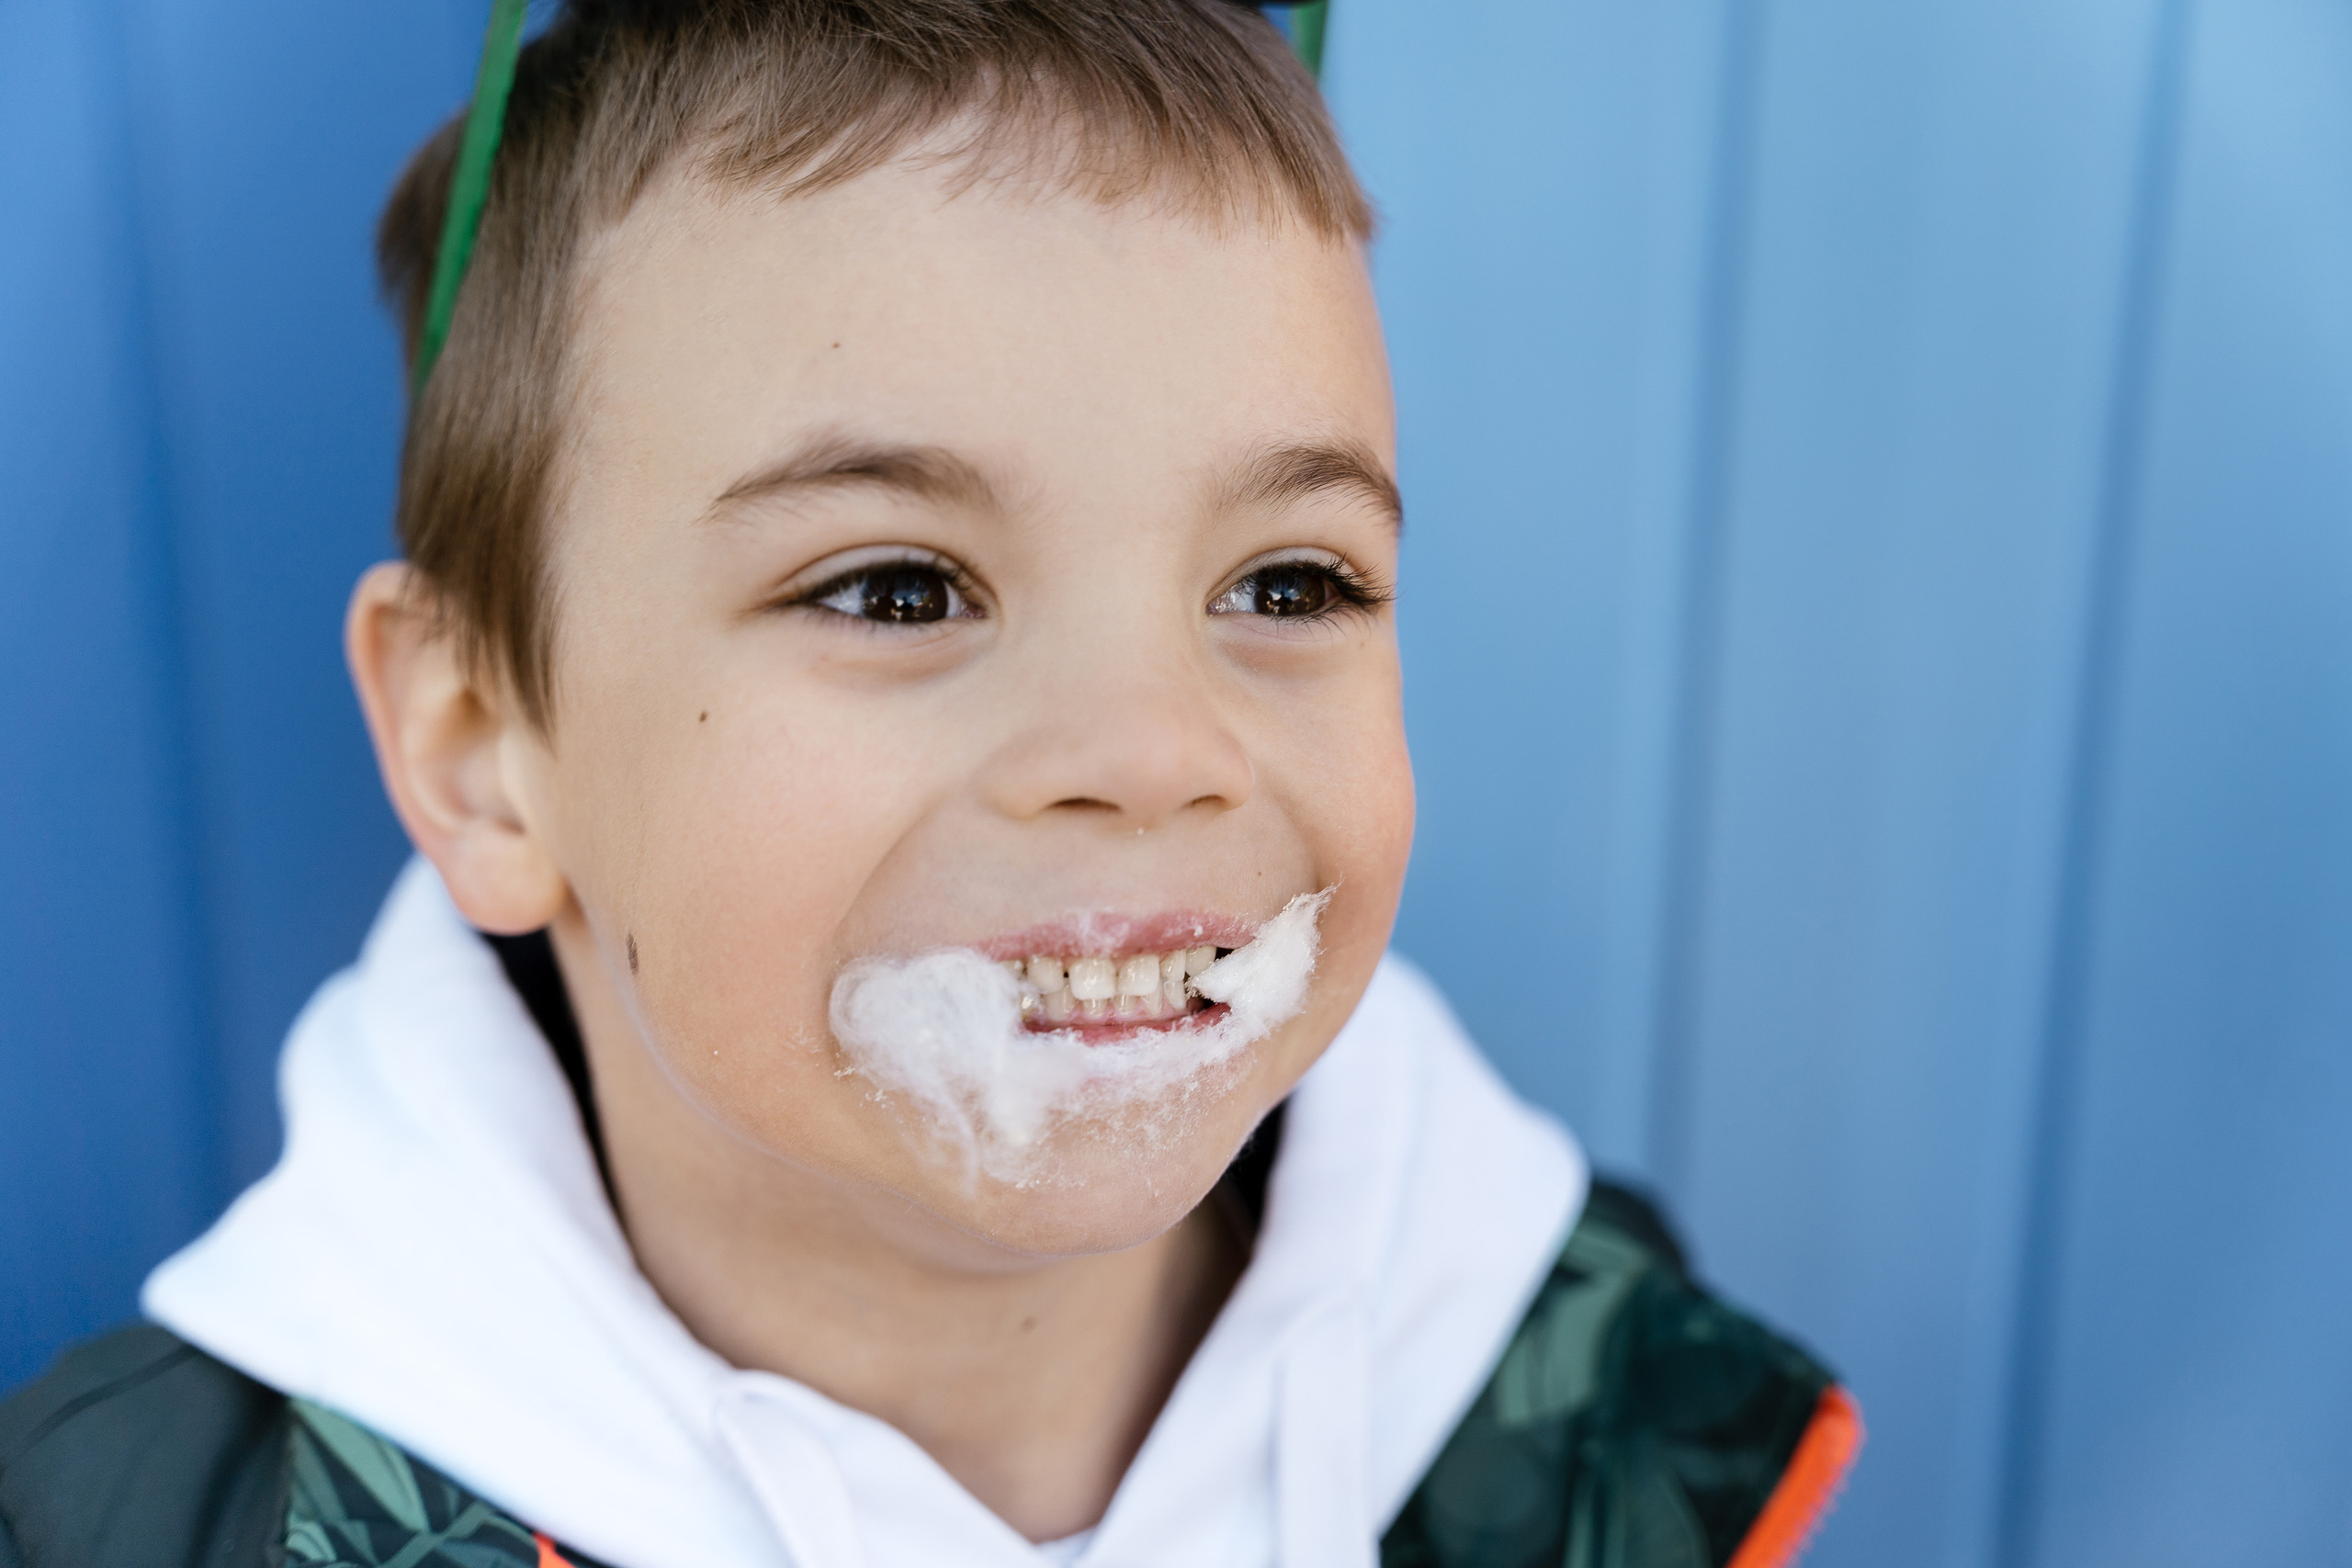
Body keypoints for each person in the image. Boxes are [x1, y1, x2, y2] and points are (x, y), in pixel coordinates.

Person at [0, 4, 1859, 1564]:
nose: (1149, 748)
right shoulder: (137, 1521)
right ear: (482, 750)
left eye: (1284, 583)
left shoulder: (1586, 1394)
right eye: (896, 587)